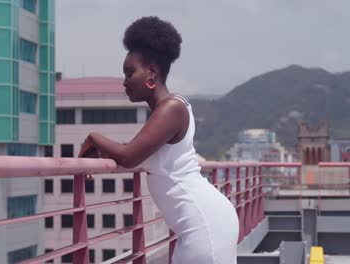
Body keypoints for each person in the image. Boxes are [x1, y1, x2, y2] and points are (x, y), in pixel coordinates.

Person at [79, 16, 239, 264]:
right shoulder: (164, 111)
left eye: (129, 72)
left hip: (204, 226)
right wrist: (100, 154)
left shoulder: (170, 109)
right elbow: (133, 155)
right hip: (203, 223)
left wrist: (93, 137)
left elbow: (129, 156)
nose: (124, 81)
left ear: (151, 73)